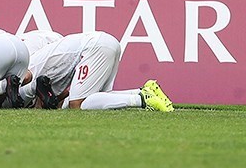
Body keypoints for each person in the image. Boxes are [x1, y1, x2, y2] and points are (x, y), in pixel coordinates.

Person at [16, 30, 175, 112]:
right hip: (105, 42)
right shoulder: (41, 49)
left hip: (95, 47)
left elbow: (28, 80)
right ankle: (144, 90)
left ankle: (142, 99)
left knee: (78, 104)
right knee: (98, 98)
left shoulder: (27, 67)